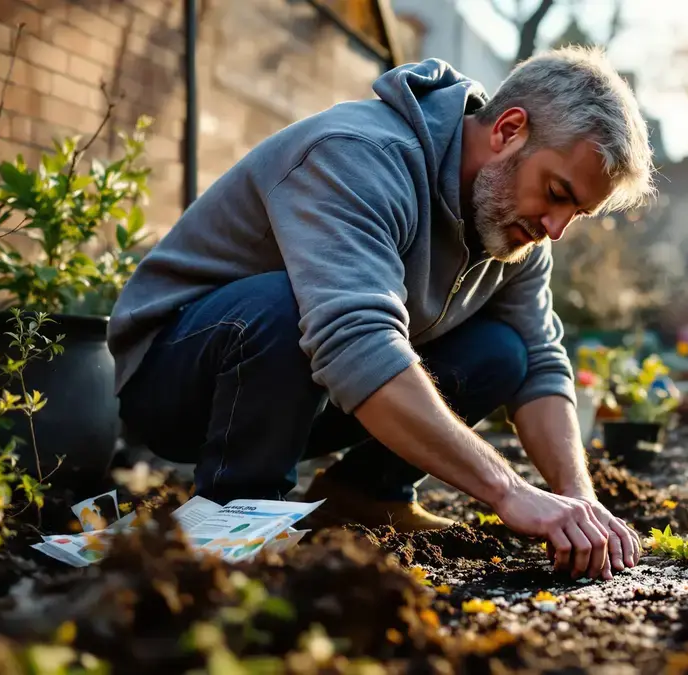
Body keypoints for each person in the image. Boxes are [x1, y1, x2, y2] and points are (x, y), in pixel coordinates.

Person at [107, 46, 656, 581]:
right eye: (556, 193)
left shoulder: (518, 229)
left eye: (576, 213)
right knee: (287, 303)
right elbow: (356, 342)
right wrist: (508, 491)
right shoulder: (358, 154)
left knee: (502, 351)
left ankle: (368, 495)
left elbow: (539, 360)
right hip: (176, 377)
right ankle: (235, 516)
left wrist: (578, 501)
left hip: (308, 391)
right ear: (508, 130)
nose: (555, 228)